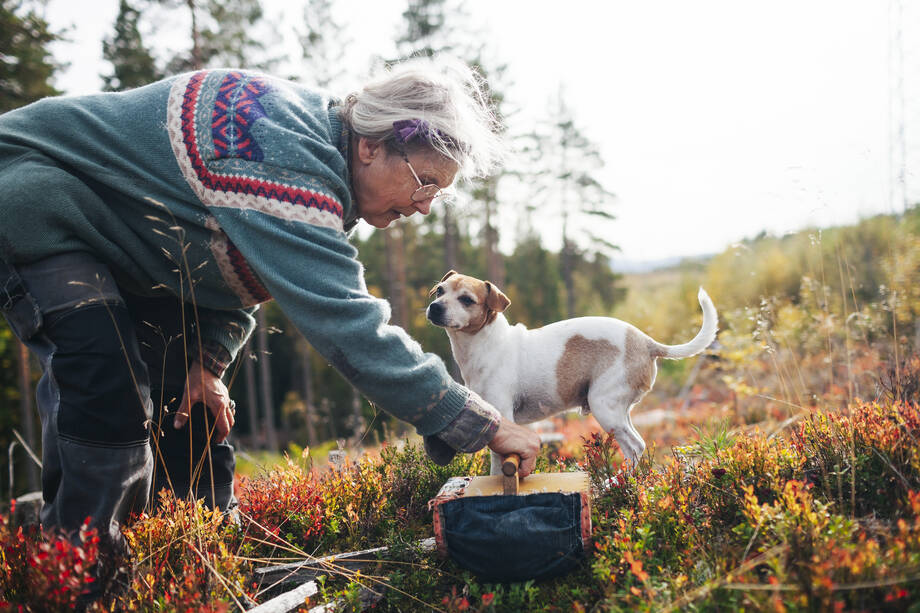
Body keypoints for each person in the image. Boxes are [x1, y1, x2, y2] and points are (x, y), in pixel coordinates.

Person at [0, 55, 541, 560]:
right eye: (425, 183)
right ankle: (80, 578)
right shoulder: (287, 159)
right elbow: (349, 326)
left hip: (124, 249)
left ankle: (196, 568)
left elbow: (235, 273)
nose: (424, 206)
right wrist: (484, 424)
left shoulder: (319, 171)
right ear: (373, 146)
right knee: (108, 387)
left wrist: (208, 360)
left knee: (191, 405)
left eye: (437, 194)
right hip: (36, 197)